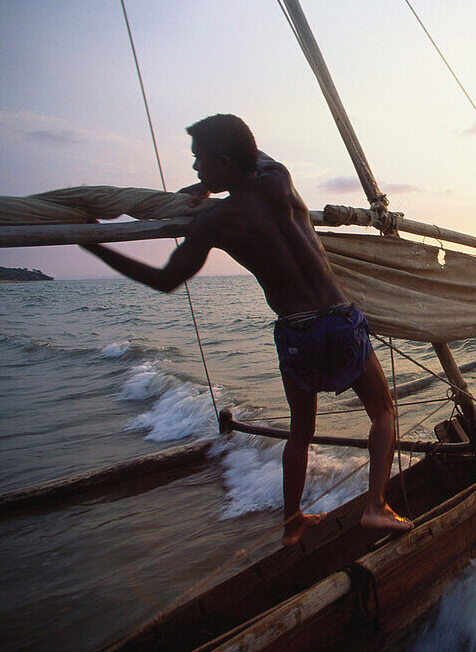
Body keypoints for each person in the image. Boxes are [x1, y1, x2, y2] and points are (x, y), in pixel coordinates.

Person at [81, 114, 413, 547]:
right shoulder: (279, 179)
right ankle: (374, 507)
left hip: (297, 332)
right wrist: (212, 179)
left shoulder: (216, 220)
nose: (197, 171)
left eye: (201, 162)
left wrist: (94, 244)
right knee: (383, 412)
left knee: (300, 429)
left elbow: (164, 280)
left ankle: (292, 521)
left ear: (222, 162)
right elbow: (250, 152)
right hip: (339, 318)